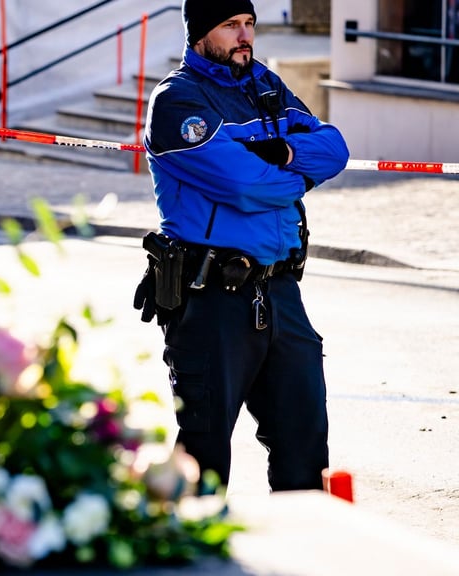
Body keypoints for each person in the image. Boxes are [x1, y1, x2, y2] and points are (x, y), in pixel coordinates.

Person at [133, 0, 350, 492]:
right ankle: (188, 565)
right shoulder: (177, 101)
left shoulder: (266, 86)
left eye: (249, 23)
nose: (244, 35)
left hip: (280, 292)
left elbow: (335, 148)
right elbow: (244, 186)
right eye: (230, 25)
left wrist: (289, 151)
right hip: (211, 302)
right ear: (200, 34)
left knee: (306, 447)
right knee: (203, 457)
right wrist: (297, 176)